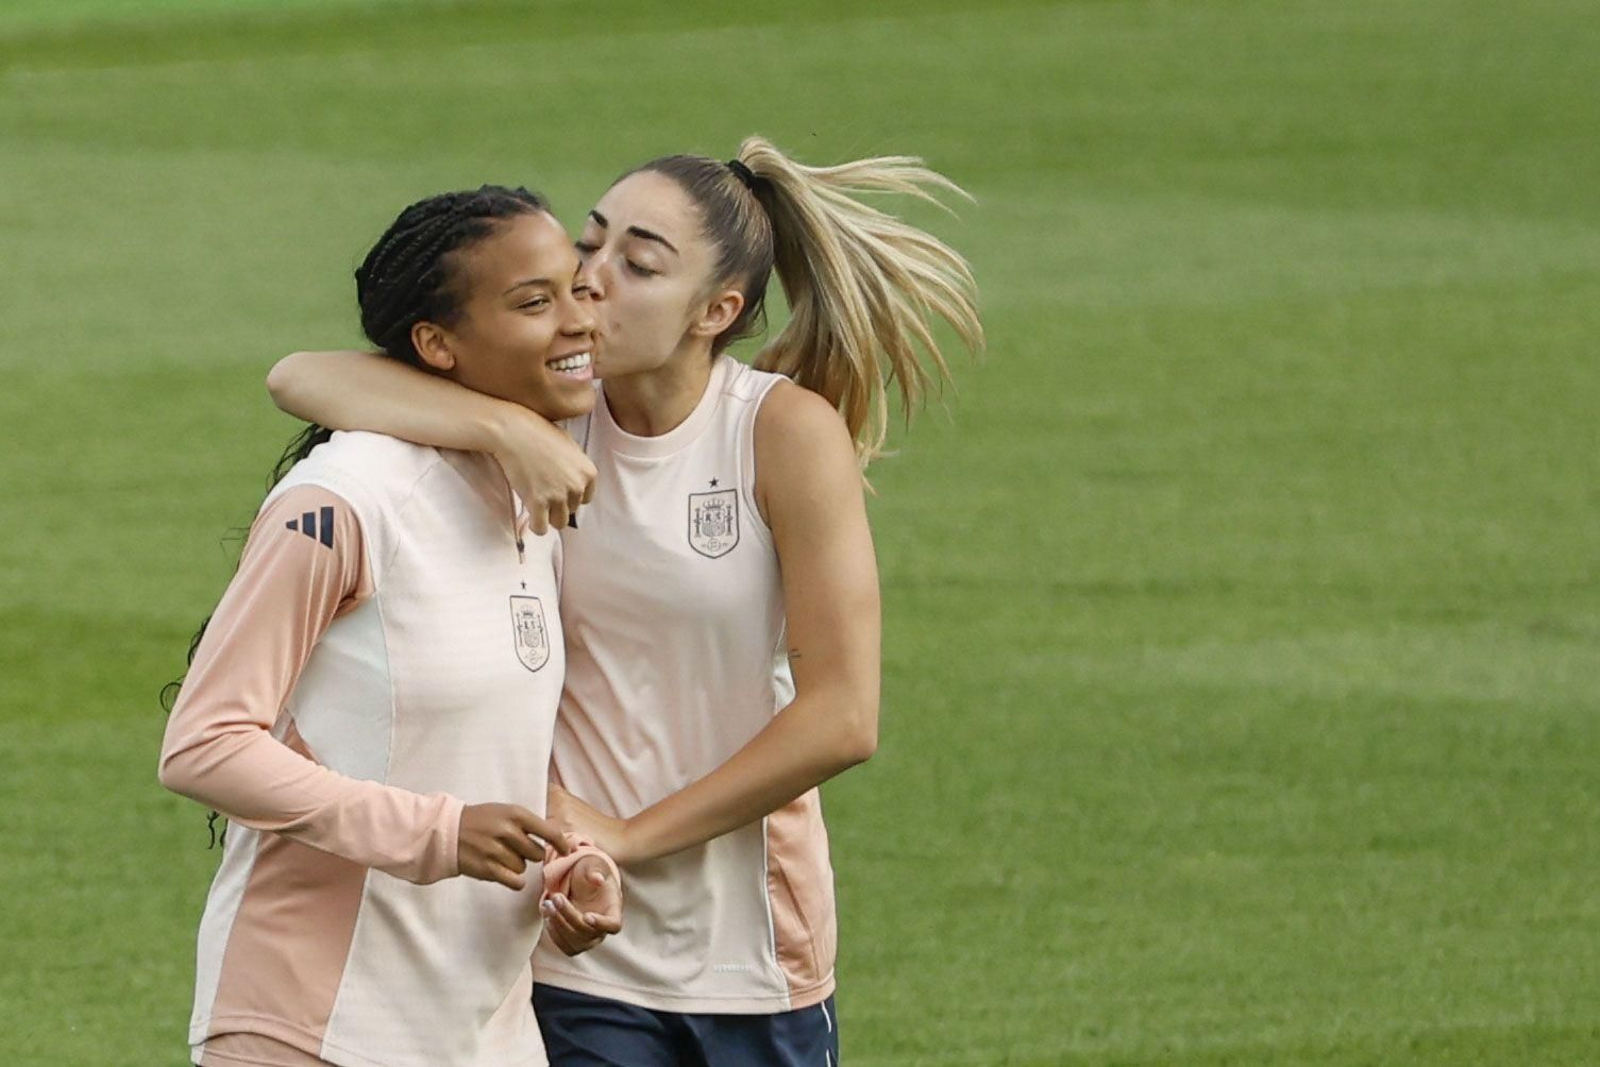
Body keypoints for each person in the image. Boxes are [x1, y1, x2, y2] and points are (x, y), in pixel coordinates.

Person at [265, 136, 983, 1066]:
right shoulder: (545, 407)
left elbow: (843, 717)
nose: (591, 280)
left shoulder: (778, 432)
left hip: (755, 950)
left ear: (715, 311)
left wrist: (632, 837)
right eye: (587, 245)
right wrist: (499, 428)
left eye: (638, 263)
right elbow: (299, 376)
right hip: (570, 944)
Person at [160, 185, 623, 1067]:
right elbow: (205, 743)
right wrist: (438, 832)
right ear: (436, 344)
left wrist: (565, 866)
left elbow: (465, 753)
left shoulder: (532, 494)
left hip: (482, 1033)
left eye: (577, 289)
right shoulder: (345, 499)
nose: (579, 322)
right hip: (311, 1027)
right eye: (534, 302)